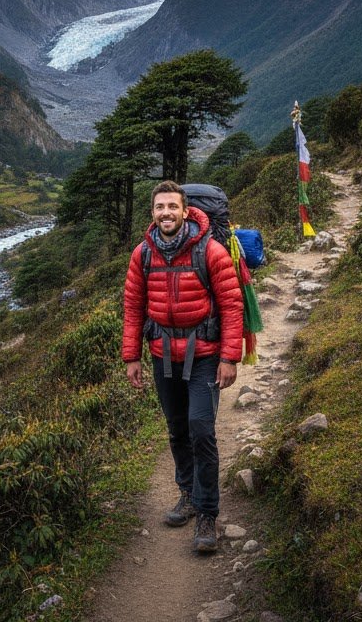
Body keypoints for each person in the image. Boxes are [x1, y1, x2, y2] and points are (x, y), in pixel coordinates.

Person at [122, 180, 243, 553]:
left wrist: (229, 357)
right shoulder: (142, 255)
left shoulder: (211, 252)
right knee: (176, 429)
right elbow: (133, 307)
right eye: (160, 208)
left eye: (172, 207)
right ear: (152, 213)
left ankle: (207, 513)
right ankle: (187, 494)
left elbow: (232, 305)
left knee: (201, 430)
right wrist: (131, 357)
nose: (166, 214)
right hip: (162, 357)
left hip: (205, 356)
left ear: (186, 211)